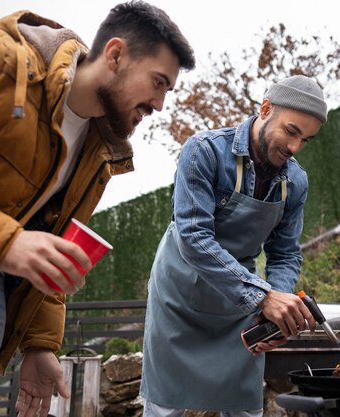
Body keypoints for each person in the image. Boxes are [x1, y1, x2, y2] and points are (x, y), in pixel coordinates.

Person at [0, 1, 195, 416]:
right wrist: (5, 242)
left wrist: (39, 344)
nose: (159, 104)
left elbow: (49, 243)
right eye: (157, 82)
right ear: (116, 54)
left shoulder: (98, 151)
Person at [140, 75, 328, 416]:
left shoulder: (296, 181)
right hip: (178, 297)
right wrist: (264, 296)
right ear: (266, 109)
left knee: (244, 408)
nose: (296, 147)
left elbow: (285, 253)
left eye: (306, 140)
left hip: (240, 307)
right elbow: (194, 238)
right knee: (164, 406)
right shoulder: (204, 151)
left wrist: (275, 312)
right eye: (291, 131)